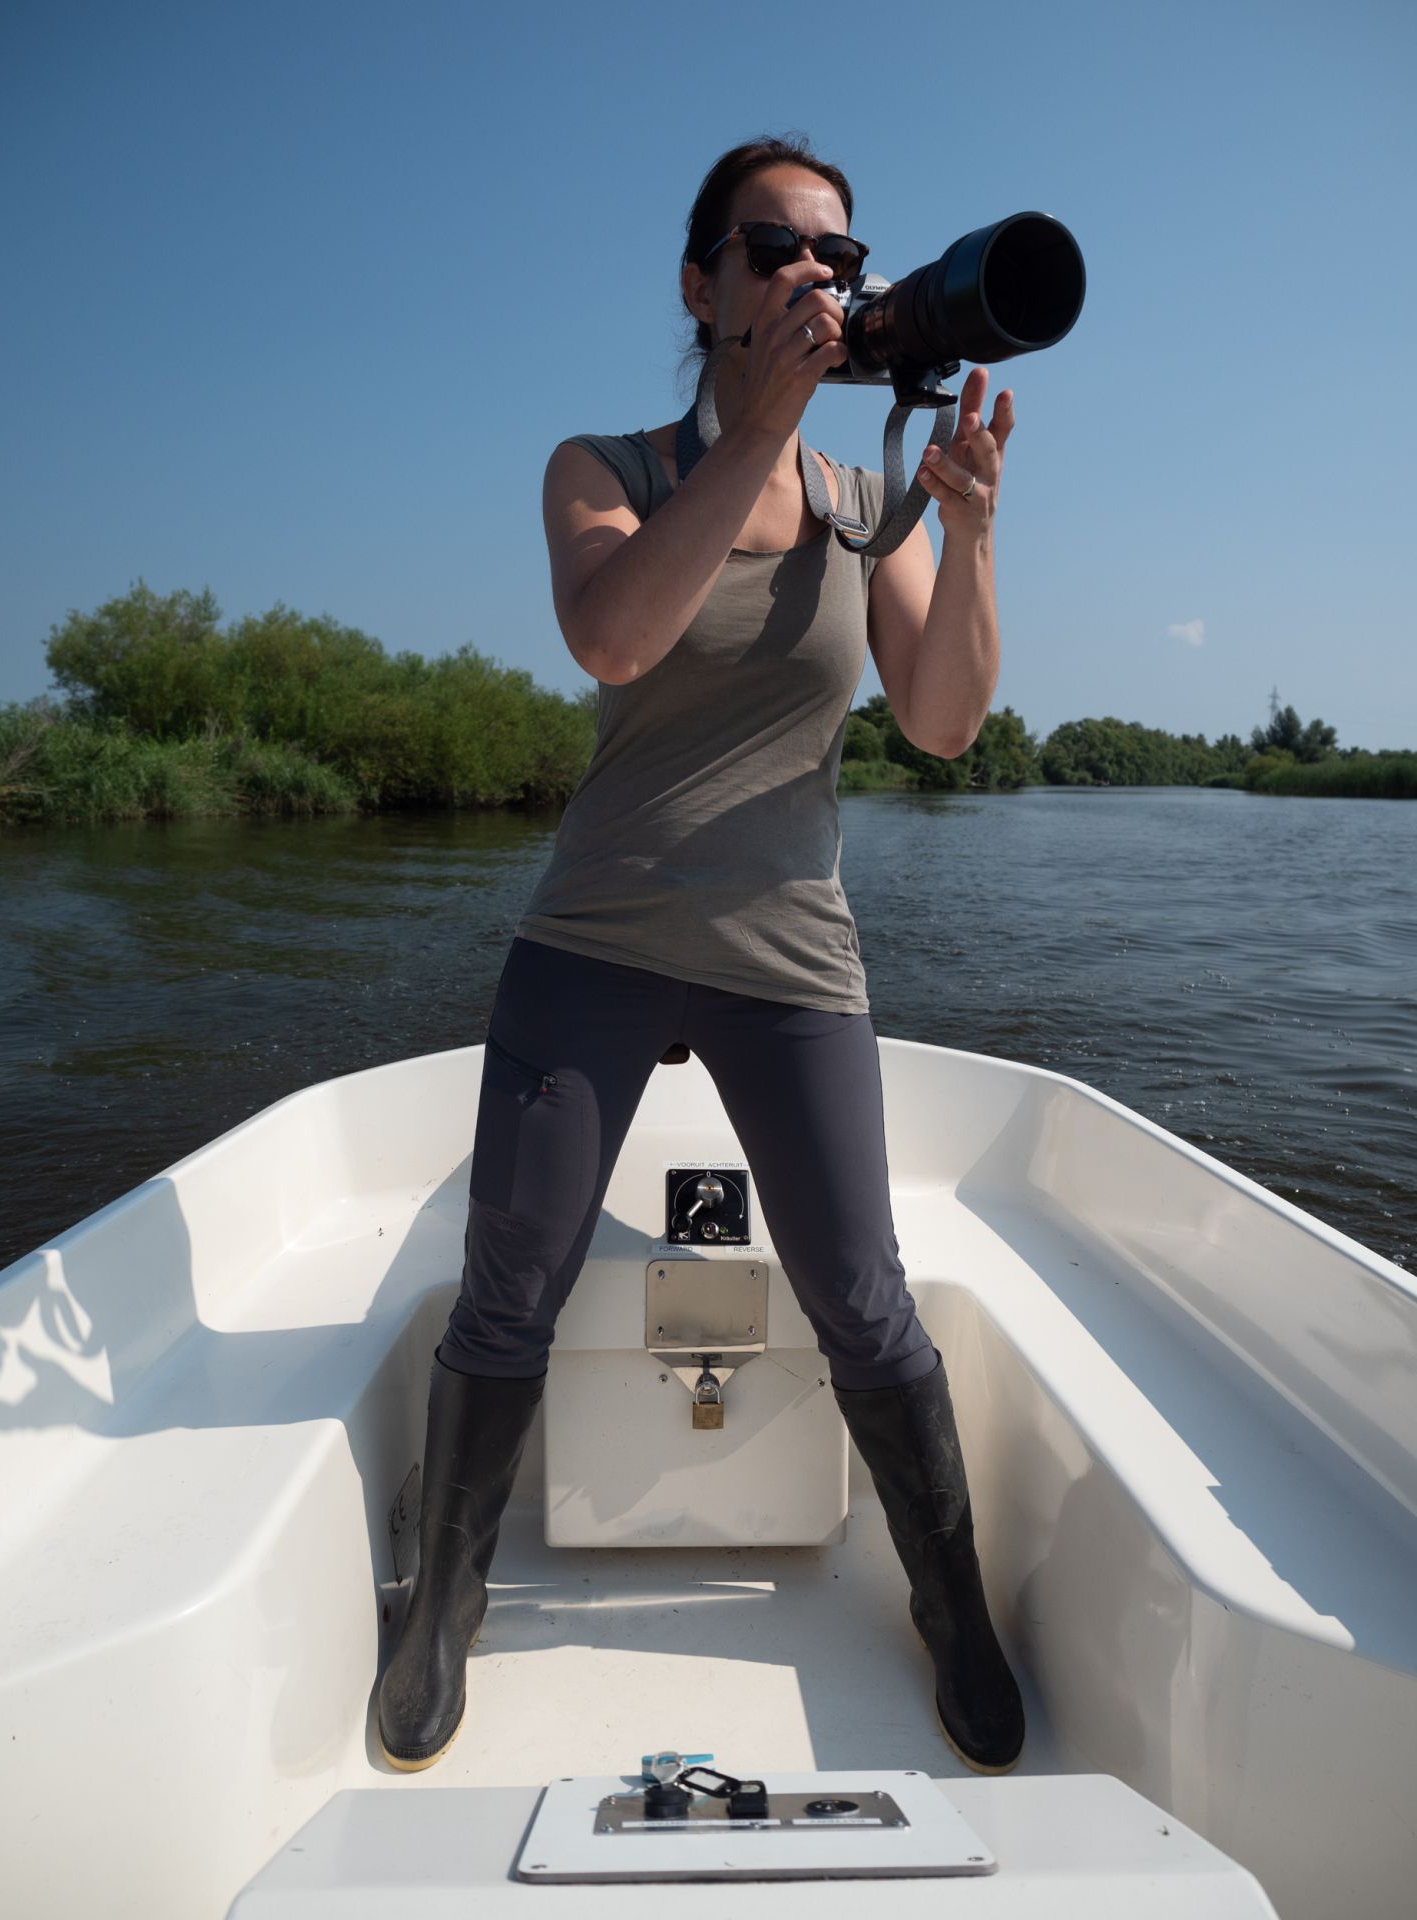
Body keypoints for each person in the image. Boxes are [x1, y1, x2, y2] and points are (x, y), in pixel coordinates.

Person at [377, 134, 1024, 1777]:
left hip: (787, 951)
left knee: (863, 1303)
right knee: (510, 1279)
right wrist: (763, 434)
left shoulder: (869, 505)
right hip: (596, 933)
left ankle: (950, 1607)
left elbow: (944, 725)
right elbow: (612, 635)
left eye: (840, 252)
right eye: (776, 249)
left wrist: (973, 530)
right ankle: (443, 1600)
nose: (817, 275)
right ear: (701, 283)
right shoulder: (604, 466)